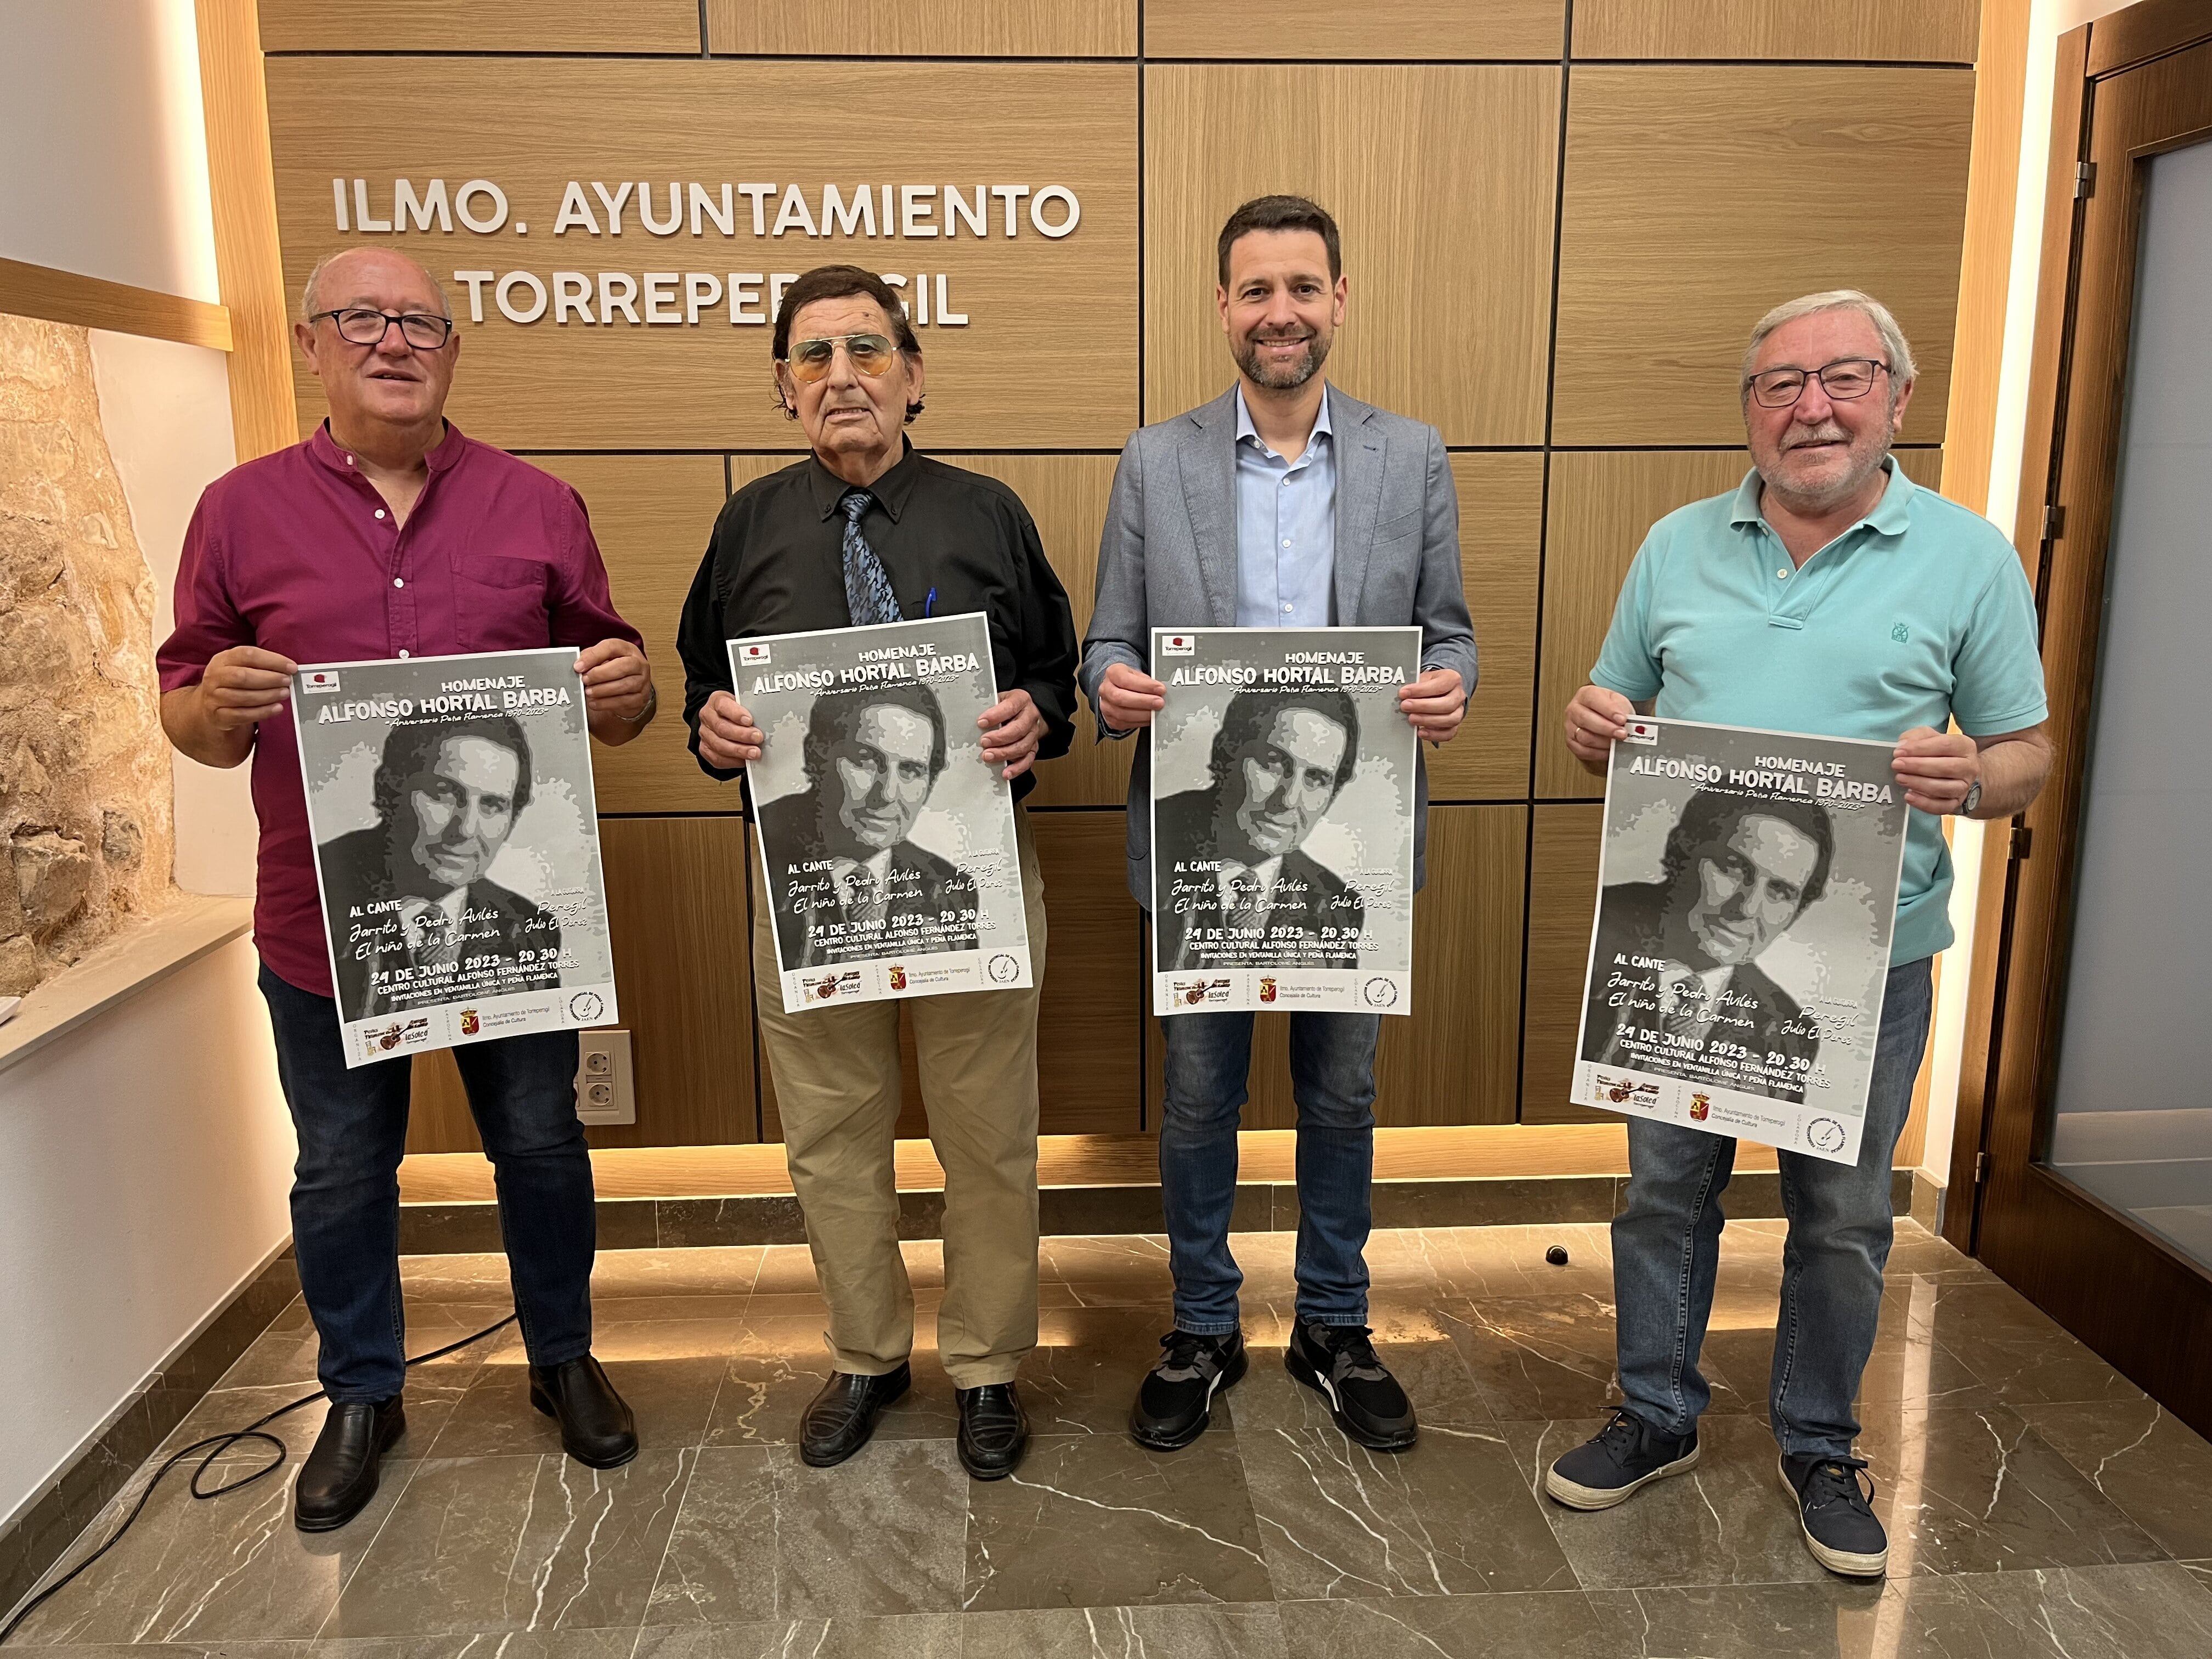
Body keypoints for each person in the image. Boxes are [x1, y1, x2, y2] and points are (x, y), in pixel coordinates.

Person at [1546, 290, 2052, 1578]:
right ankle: (1655, 1411)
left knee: (1841, 1213)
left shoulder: (1968, 555)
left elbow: (2027, 755)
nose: (1811, 407)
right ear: (1750, 410)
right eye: (1780, 385)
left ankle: (1821, 1440)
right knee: (1667, 1195)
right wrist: (1594, 719)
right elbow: (1614, 703)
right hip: (1670, 960)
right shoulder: (1675, 544)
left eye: (1843, 378)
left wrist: (1972, 782)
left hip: (1865, 965)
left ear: (1898, 396)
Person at [157, 248, 656, 1531]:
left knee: (541, 1146)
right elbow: (190, 708)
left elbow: (616, 680)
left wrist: (623, 690)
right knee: (340, 1168)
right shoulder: (236, 509)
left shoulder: (538, 504)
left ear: (452, 350)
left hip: (510, 936)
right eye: (363, 320)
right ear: (314, 347)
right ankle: (362, 1392)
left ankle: (561, 1358)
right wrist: (208, 711)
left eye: (421, 323)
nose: (394, 342)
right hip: (323, 925)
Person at [1082, 195, 1475, 1452]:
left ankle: (1333, 1324)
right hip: (1200, 852)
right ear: (1224, 309)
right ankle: (1201, 1326)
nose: (1281, 313)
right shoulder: (1158, 460)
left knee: (1341, 1094)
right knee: (1200, 1099)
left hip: (1350, 846)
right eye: (1257, 291)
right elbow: (1108, 642)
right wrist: (1111, 687)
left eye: (1303, 287)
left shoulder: (1410, 457)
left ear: (1340, 301)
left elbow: (1449, 629)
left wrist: (1449, 684)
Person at [675, 264, 1078, 1481]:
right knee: (831, 1132)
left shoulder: (990, 511)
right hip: (802, 889)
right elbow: (702, 685)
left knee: (987, 1131)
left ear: (914, 376)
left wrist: (1034, 719)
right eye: (814, 357)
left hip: (971, 873)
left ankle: (989, 1366)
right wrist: (713, 726)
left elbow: (1057, 674)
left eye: (865, 351)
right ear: (785, 389)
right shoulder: (747, 524)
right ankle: (866, 1354)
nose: (841, 376)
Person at [1581, 789, 1831, 1097]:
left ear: (1796, 913)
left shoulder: (1788, 1032)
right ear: (1682, 850)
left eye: (1780, 891)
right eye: (1733, 867)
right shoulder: (1592, 930)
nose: (1748, 908)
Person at [322, 715, 561, 1019]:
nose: (465, 829)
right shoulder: (325, 896)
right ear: (388, 790)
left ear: (512, 820)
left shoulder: (530, 928)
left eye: (492, 805)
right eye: (444, 794)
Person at [759, 683, 979, 972]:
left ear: (930, 785)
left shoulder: (950, 890)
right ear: (816, 757)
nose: (887, 794)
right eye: (866, 761)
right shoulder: (767, 857)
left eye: (911, 771)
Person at [1154, 688, 1363, 972]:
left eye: (1316, 778)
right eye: (1273, 762)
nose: (1288, 799)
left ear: (1332, 797)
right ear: (1225, 753)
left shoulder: (1336, 904)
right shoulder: (1157, 840)